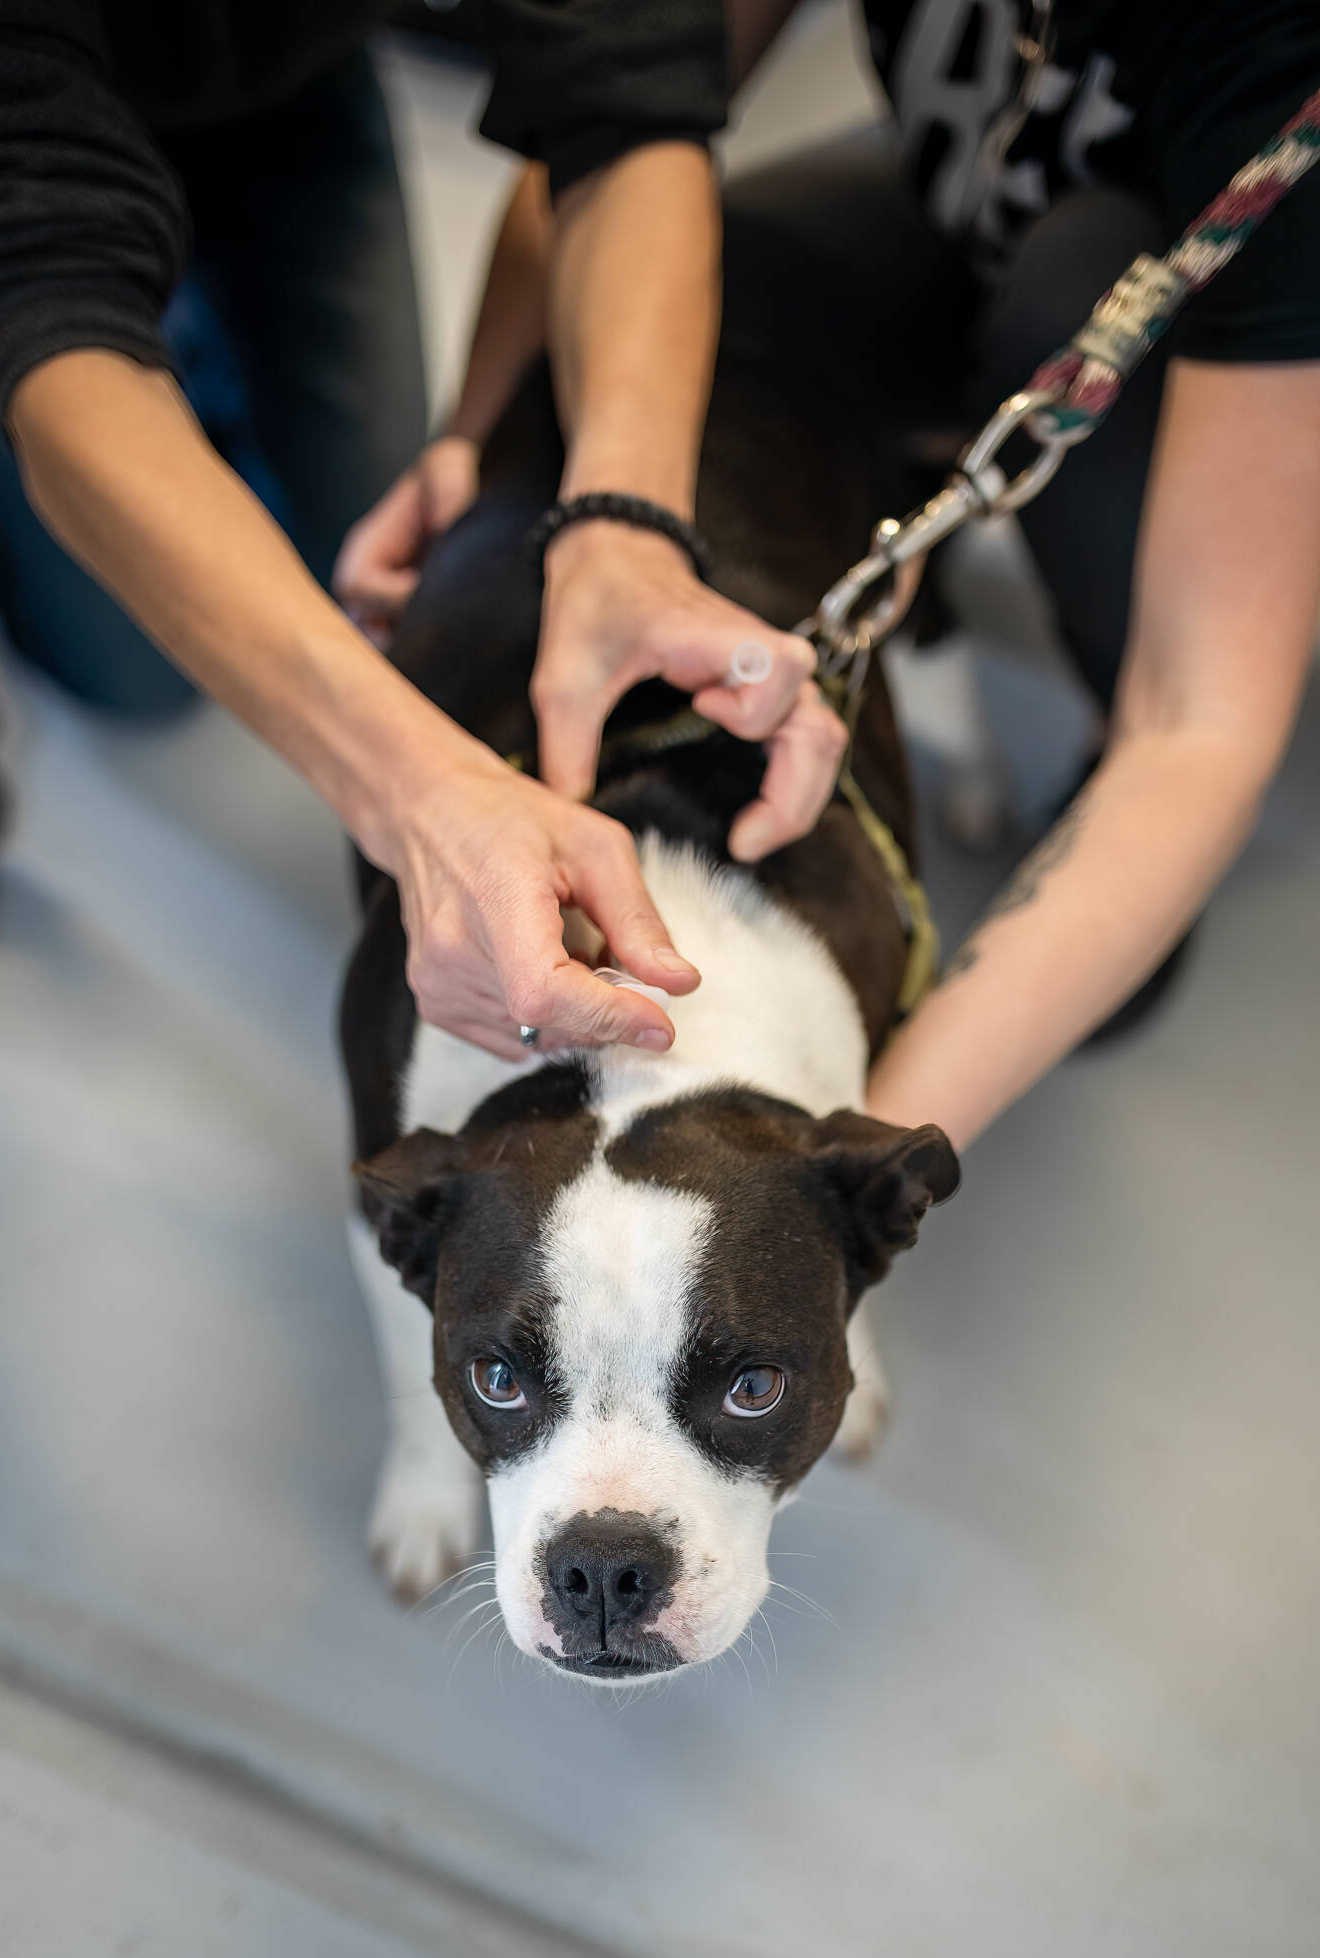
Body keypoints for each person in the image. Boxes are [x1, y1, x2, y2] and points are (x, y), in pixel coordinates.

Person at [409, 0, 1320, 1149]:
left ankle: (1103, 768)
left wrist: (862, 1149)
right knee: (681, 276)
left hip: (1205, 325)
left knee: (1076, 282)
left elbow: (1202, 723)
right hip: (958, 210)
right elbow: (611, 125)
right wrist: (472, 435)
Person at [0, 1, 843, 1061]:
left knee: (352, 528)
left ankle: (185, 326)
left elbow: (628, 102)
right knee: (135, 672)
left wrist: (624, 526)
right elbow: (51, 307)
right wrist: (415, 793)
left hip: (277, 67)